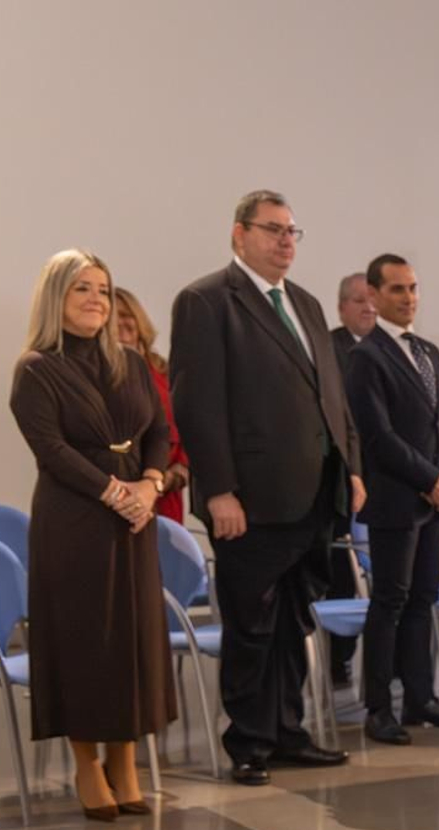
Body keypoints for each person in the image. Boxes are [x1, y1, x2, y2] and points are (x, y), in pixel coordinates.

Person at [170, 189, 361, 785]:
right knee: (251, 627)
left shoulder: (303, 303)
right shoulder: (206, 301)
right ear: (239, 234)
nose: (285, 241)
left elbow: (332, 397)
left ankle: (287, 732)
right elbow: (197, 404)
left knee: (293, 623)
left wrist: (351, 467)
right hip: (248, 501)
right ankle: (249, 741)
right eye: (273, 229)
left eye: (292, 231)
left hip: (313, 495)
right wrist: (219, 489)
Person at [9, 250, 177, 818]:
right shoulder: (35, 367)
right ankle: (86, 763)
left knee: (133, 641)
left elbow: (158, 430)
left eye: (103, 290)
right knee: (86, 642)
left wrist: (150, 486)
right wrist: (114, 494)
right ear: (56, 297)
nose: (96, 300)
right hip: (74, 519)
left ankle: (124, 761)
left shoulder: (129, 362)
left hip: (136, 515)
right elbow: (51, 450)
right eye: (82, 288)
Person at [344, 254, 439, 744]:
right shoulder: (365, 357)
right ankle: (380, 707)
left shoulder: (429, 351)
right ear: (373, 296)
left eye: (413, 287)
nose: (408, 297)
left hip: (434, 499)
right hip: (398, 498)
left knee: (422, 601)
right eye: (397, 289)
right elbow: (378, 437)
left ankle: (420, 698)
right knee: (390, 602)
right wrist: (429, 479)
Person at [323, 271, 376, 685]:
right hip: (344, 480)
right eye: (357, 300)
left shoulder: (391, 348)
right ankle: (338, 659)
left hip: (389, 480)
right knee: (341, 574)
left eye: (370, 298)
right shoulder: (329, 348)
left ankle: (388, 662)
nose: (367, 307)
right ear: (342, 308)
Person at [113, 288, 190, 524]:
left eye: (127, 315)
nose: (121, 323)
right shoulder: (93, 376)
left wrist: (170, 477)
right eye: (112, 319)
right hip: (117, 497)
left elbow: (192, 429)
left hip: (165, 499)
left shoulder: (167, 373)